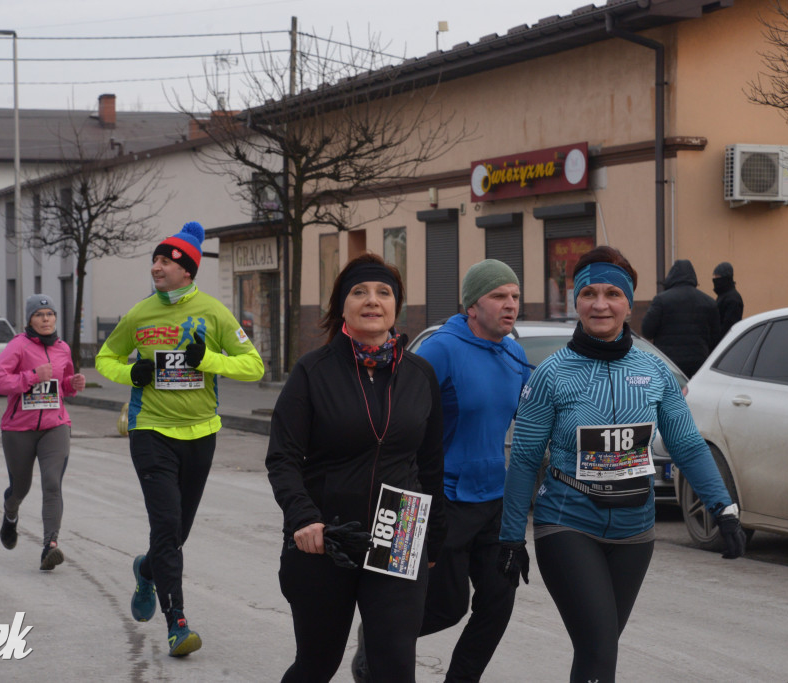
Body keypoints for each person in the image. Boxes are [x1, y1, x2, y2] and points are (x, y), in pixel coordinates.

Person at [498, 246, 746, 683]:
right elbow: (524, 458)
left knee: (600, 649)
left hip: (636, 531)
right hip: (568, 523)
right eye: (589, 293)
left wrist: (722, 507)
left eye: (612, 294)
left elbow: (687, 444)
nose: (600, 304)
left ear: (629, 304)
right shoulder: (552, 373)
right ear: (576, 302)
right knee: (598, 646)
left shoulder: (654, 371)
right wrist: (511, 538)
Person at [266, 253, 446, 683]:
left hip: (400, 530)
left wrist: (434, 541)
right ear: (341, 306)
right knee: (317, 663)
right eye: (359, 292)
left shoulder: (420, 374)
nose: (372, 301)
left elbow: (431, 463)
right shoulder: (313, 371)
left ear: (396, 306)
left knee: (395, 666)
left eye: (384, 292)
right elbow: (283, 457)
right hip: (326, 536)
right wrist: (303, 517)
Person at [96, 221, 265, 658]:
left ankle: (146, 570)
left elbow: (253, 366)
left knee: (176, 533)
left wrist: (208, 359)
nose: (156, 267)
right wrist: (130, 372)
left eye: (165, 261)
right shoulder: (139, 314)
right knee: (167, 526)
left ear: (187, 270)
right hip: (150, 429)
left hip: (200, 433)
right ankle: (178, 624)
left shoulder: (214, 312)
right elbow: (105, 358)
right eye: (154, 260)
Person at [374, 259, 530, 683]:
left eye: (515, 296)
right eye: (498, 296)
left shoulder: (514, 354)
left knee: (499, 600)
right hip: (437, 500)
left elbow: (534, 420)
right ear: (471, 306)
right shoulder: (441, 349)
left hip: (493, 499)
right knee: (445, 607)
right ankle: (378, 643)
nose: (510, 304)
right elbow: (395, 420)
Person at [0, 294, 86, 571]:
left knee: (52, 483)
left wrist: (73, 383)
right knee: (21, 487)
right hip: (19, 429)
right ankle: (10, 514)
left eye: (50, 314)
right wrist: (31, 376)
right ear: (30, 320)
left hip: (55, 425)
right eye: (39, 315)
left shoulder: (63, 348)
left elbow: (63, 387)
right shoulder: (18, 346)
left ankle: (50, 546)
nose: (45, 319)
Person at [640, 258, 720, 377]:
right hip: (698, 363)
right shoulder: (709, 302)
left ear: (672, 277)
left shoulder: (661, 300)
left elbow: (647, 331)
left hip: (668, 363)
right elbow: (716, 337)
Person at [712, 261, 744, 338]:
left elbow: (728, 327)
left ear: (725, 278)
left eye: (717, 277)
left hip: (725, 342)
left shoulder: (732, 299)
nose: (715, 280)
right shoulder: (724, 296)